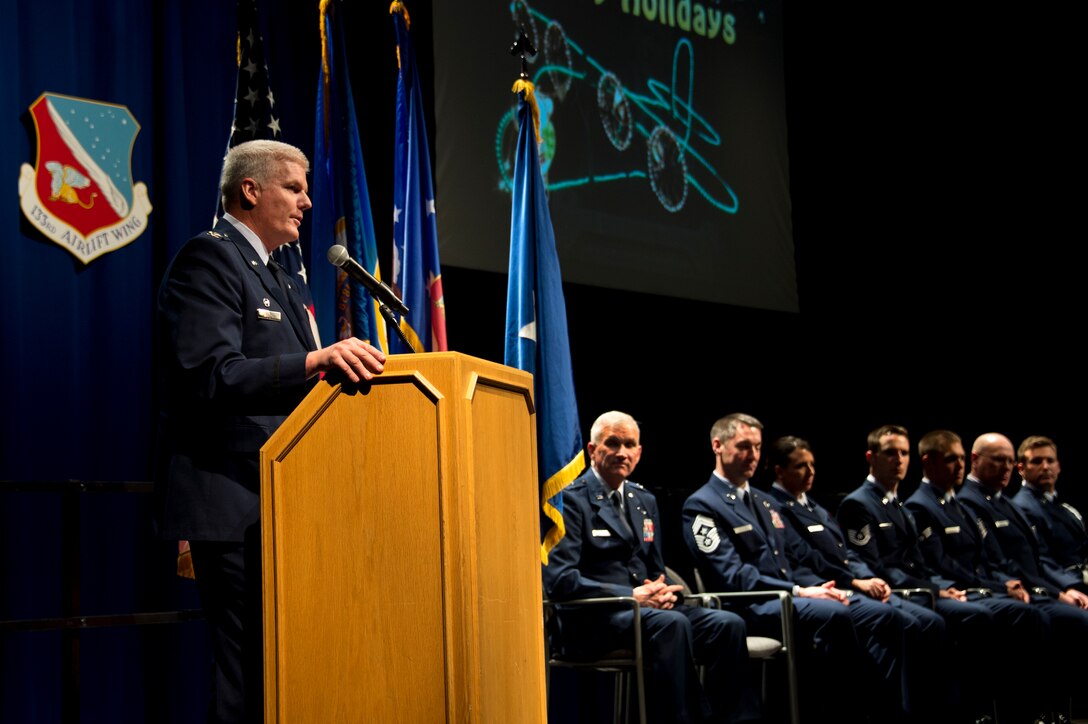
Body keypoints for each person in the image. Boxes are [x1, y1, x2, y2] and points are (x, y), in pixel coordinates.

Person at [156, 140, 386, 723]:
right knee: (246, 673)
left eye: (307, 188)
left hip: (289, 505)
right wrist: (315, 361)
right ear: (250, 191)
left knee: (288, 670)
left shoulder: (288, 278)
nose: (308, 202)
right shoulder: (208, 259)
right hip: (234, 503)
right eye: (295, 187)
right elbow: (209, 375)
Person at [682, 414, 905, 724]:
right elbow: (733, 577)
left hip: (791, 597)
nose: (753, 455)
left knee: (881, 613)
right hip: (751, 605)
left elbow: (797, 557)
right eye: (744, 446)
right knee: (836, 615)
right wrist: (800, 591)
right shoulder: (702, 505)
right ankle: (849, 712)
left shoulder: (764, 502)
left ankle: (876, 710)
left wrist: (838, 586)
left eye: (758, 447)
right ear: (717, 445)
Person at [543, 411, 757, 724]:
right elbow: (560, 580)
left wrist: (668, 592)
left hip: (645, 613)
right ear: (592, 450)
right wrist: (632, 594)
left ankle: (738, 718)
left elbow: (656, 571)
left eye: (629, 445)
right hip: (593, 618)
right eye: (612, 443)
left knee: (727, 624)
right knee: (671, 625)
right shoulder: (571, 501)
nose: (621, 452)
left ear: (639, 452)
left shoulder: (644, 500)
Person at [766, 435, 946, 722]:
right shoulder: (774, 508)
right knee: (893, 620)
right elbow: (803, 559)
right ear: (779, 470)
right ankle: (884, 711)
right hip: (822, 588)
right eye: (801, 466)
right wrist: (852, 583)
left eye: (812, 465)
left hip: (846, 584)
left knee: (926, 622)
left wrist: (862, 578)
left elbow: (846, 555)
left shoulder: (814, 507)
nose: (811, 472)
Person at [837, 425, 998, 723]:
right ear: (871, 457)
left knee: (970, 613)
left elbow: (920, 563)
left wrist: (938, 587)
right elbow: (874, 565)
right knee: (944, 620)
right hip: (894, 591)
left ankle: (968, 709)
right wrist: (934, 590)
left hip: (918, 588)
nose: (898, 459)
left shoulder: (898, 504)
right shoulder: (859, 503)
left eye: (904, 453)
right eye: (890, 453)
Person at [903, 430, 1052, 722]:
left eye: (961, 459)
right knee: (1015, 615)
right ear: (929, 462)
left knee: (1031, 613)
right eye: (951, 459)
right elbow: (940, 562)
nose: (959, 466)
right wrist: (993, 585)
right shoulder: (920, 505)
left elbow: (984, 556)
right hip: (954, 588)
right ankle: (989, 710)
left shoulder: (955, 504)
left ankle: (1027, 710)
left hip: (977, 586)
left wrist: (1001, 582)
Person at [1012, 436, 1088, 582]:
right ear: (1021, 469)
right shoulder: (1022, 507)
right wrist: (1071, 585)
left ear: (1058, 467)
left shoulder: (1066, 509)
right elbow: (1040, 560)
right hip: (1065, 583)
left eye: (1050, 461)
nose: (1045, 467)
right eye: (1037, 461)